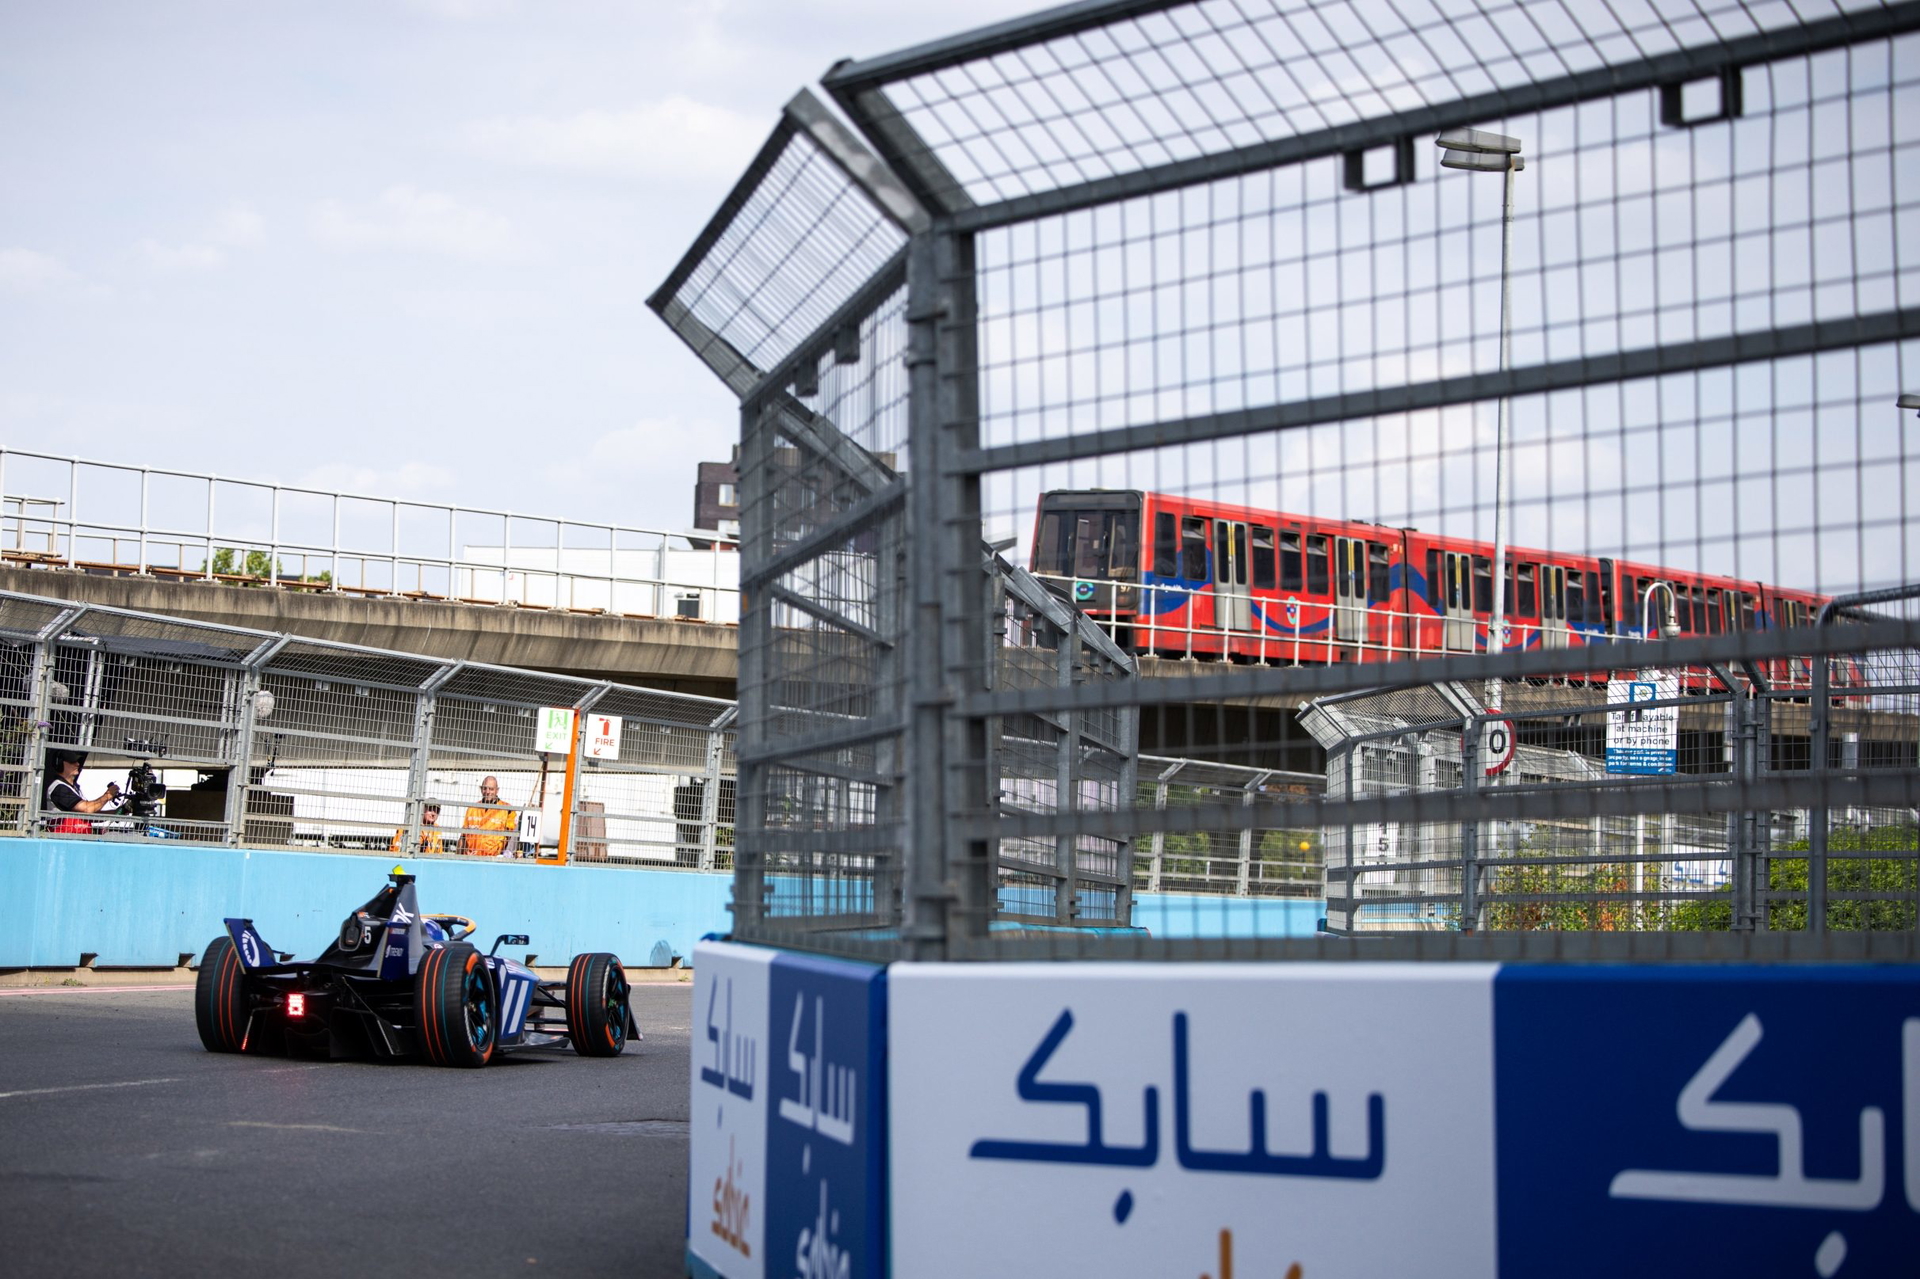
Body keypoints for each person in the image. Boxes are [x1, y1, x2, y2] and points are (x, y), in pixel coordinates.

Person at [43, 751, 122, 834]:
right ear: (60, 764)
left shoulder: (75, 788)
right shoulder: (59, 788)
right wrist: (108, 795)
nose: (77, 764)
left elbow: (90, 814)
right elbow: (87, 809)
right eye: (72, 762)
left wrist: (116, 812)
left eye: (77, 762)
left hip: (74, 837)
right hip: (62, 839)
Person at [461, 776, 515, 857]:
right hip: (472, 857)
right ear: (481, 789)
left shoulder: (507, 809)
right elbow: (463, 837)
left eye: (491, 789)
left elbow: (512, 838)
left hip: (493, 859)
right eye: (485, 788)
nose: (487, 792)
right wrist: (462, 855)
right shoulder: (472, 808)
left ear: (497, 790)